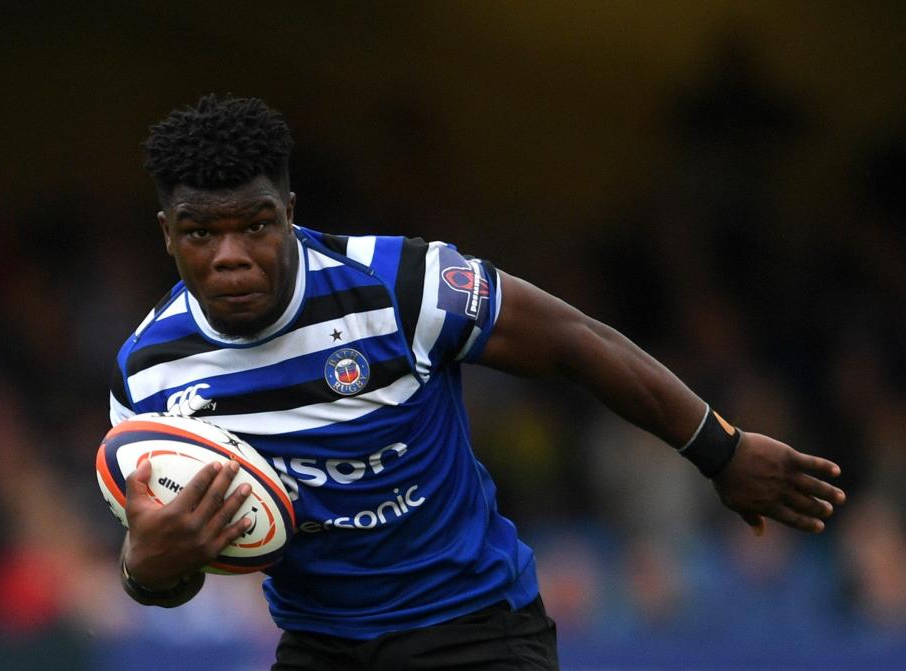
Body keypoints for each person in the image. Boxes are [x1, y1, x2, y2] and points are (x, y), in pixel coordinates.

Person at [108, 94, 846, 670]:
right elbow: (165, 573)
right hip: (320, 644)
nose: (231, 255)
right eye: (201, 232)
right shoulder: (147, 377)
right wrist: (148, 568)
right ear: (168, 233)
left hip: (473, 628)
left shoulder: (402, 282)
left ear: (291, 214)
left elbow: (572, 340)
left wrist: (721, 449)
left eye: (256, 224)